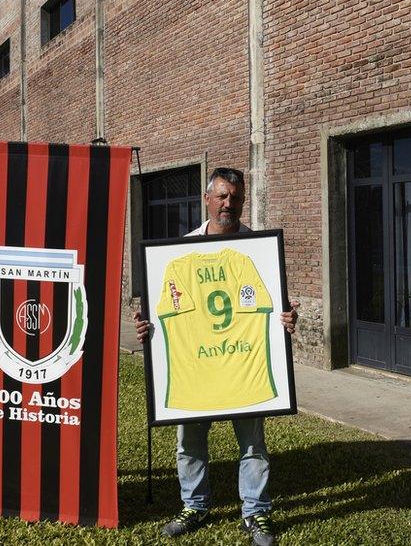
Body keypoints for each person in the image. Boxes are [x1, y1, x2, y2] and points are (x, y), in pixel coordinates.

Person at [134, 167, 298, 546]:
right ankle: (195, 506)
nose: (229, 203)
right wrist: (149, 329)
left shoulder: (256, 249)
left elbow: (273, 308)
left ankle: (255, 513)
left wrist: (286, 319)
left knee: (253, 444)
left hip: (243, 367)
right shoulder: (181, 251)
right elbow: (162, 314)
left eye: (236, 197)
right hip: (197, 370)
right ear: (206, 199)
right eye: (222, 196)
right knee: (189, 442)